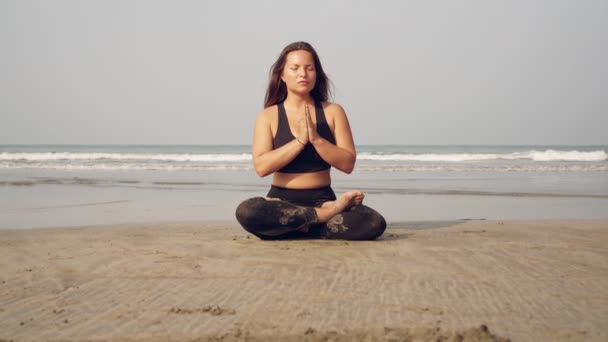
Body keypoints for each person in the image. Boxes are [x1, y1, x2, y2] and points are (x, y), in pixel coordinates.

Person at [235, 41, 386, 240]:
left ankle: (299, 225)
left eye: (309, 68)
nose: (303, 74)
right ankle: (324, 218)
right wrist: (299, 141)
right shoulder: (268, 116)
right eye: (295, 68)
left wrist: (316, 139)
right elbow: (262, 167)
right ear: (282, 75)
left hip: (323, 199)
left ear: (317, 73)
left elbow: (348, 163)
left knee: (373, 223)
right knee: (248, 211)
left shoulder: (333, 112)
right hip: (282, 202)